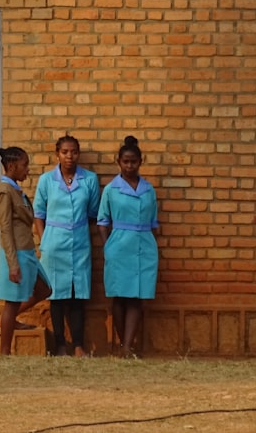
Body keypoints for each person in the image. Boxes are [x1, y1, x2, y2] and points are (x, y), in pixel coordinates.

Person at [33, 134, 101, 357]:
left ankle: (79, 345)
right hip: (53, 243)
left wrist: (79, 230)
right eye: (64, 152)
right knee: (56, 296)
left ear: (78, 153)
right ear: (57, 154)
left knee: (77, 295)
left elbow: (93, 212)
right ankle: (60, 345)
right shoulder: (46, 181)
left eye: (73, 152)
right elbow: (39, 213)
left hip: (79, 242)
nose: (69, 156)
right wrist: (44, 240)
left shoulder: (89, 180)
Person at [97, 135, 159, 358]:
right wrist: (108, 248)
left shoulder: (148, 190)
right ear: (118, 162)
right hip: (119, 246)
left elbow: (153, 222)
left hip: (144, 246)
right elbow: (103, 221)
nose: (130, 165)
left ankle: (127, 347)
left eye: (134, 161)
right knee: (119, 296)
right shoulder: (111, 190)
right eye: (126, 161)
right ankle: (123, 343)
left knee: (137, 296)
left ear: (141, 161)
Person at [0, 146, 52, 355]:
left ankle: (9, 321)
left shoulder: (15, 189)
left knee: (45, 289)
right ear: (11, 166)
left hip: (27, 252)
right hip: (16, 253)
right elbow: (6, 230)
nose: (27, 169)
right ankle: (5, 351)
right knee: (12, 302)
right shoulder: (4, 191)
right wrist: (12, 264)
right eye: (24, 165)